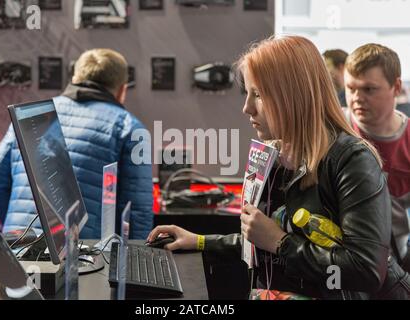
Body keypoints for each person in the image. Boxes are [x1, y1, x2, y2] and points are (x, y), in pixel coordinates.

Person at [148, 35, 395, 299]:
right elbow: (262, 238)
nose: (247, 108)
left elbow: (366, 271)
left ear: (292, 96)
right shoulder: (280, 158)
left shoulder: (351, 160)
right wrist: (199, 241)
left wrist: (281, 243)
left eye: (258, 94)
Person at [0, 49, 153, 239]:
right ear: (122, 89)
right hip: (85, 259)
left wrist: (13, 231)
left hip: (20, 252)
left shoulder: (30, 116)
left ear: (74, 77)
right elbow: (137, 211)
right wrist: (136, 256)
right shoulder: (130, 128)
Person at [344, 44, 410, 269]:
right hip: (340, 263)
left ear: (396, 87)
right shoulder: (332, 129)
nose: (356, 98)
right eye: (350, 88)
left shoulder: (408, 140)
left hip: (396, 269)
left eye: (369, 89)